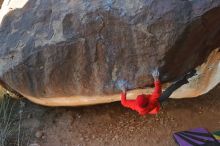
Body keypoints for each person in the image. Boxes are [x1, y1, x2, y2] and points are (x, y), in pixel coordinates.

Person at [120, 69, 197, 116]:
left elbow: (123, 102)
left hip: (149, 108)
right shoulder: (152, 101)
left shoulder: (135, 105)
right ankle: (186, 78)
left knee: (167, 91)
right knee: (170, 90)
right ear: (147, 100)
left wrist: (124, 91)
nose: (142, 94)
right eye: (143, 96)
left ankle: (185, 78)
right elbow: (157, 91)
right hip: (157, 103)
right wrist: (156, 78)